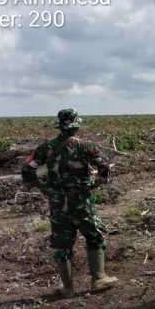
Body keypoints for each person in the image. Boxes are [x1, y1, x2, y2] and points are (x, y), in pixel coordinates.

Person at [21, 108, 118, 297]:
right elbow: (105, 168)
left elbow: (27, 170)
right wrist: (93, 184)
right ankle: (99, 279)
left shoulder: (45, 148)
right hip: (82, 200)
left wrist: (45, 189)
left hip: (57, 202)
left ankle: (68, 288)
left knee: (62, 244)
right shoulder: (87, 147)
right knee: (93, 235)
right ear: (76, 125)